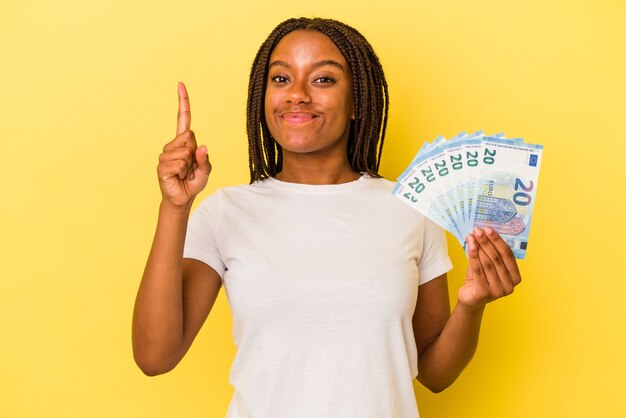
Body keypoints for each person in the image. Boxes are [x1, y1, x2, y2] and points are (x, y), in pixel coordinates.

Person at [132, 17, 522, 418]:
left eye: (322, 80)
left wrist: (472, 306)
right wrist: (175, 208)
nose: (297, 95)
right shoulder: (224, 212)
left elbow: (435, 374)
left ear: (358, 103)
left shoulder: (411, 208)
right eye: (281, 79)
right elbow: (155, 357)